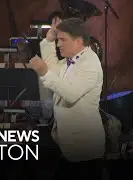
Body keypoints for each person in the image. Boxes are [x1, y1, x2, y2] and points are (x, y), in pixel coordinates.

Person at [30, 17, 105, 179]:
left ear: (78, 42)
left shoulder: (90, 65)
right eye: (58, 40)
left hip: (85, 149)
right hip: (69, 145)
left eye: (62, 40)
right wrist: (49, 39)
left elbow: (70, 94)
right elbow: (53, 68)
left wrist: (44, 73)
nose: (58, 44)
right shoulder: (71, 61)